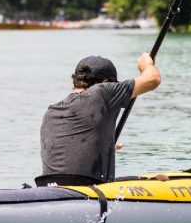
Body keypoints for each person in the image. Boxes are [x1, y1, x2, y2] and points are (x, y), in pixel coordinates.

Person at [39, 53, 161, 184]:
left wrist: (104, 146)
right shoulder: (103, 92)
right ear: (106, 82)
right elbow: (152, 79)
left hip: (49, 186)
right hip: (86, 188)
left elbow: (71, 151)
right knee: (161, 180)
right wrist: (146, 65)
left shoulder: (52, 111)